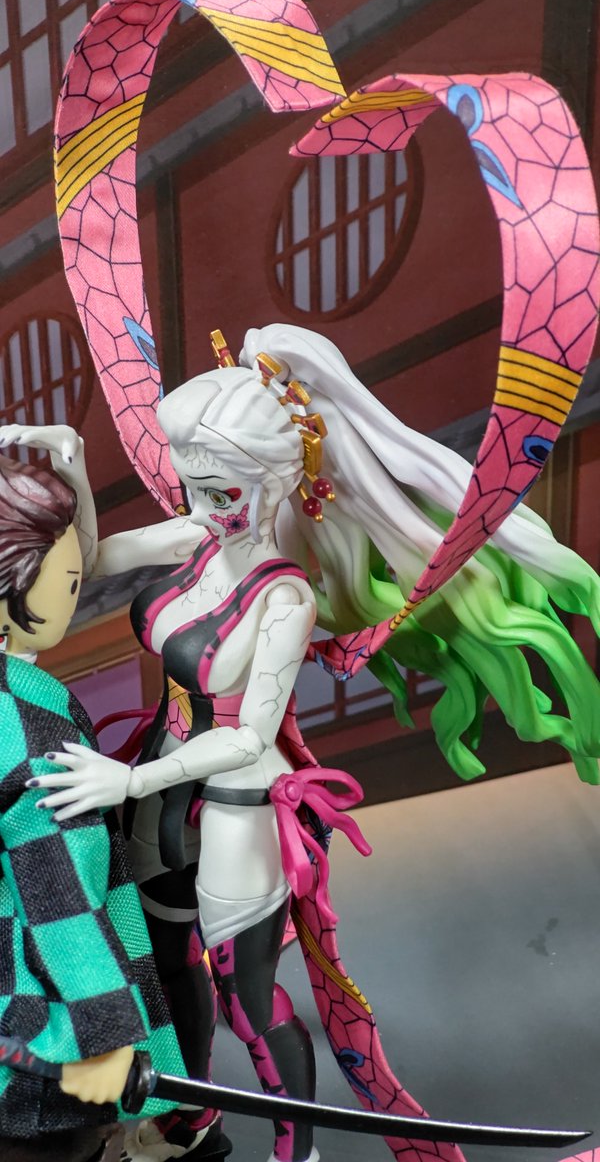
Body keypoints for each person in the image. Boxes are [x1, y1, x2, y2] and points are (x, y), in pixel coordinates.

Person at [8, 321, 599, 1162]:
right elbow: (89, 557)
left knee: (247, 1000)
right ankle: (187, 1122)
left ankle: (300, 1151)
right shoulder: (197, 536)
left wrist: (127, 784)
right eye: (192, 486)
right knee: (161, 959)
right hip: (158, 772)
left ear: (276, 482)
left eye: (220, 491)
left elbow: (249, 736)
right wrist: (68, 463)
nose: (202, 508)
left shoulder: (286, 598)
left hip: (233, 794)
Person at [0, 454, 194, 1162]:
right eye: (71, 579)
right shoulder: (24, 714)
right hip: (39, 1048)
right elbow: (62, 892)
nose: (74, 592)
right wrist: (105, 1034)